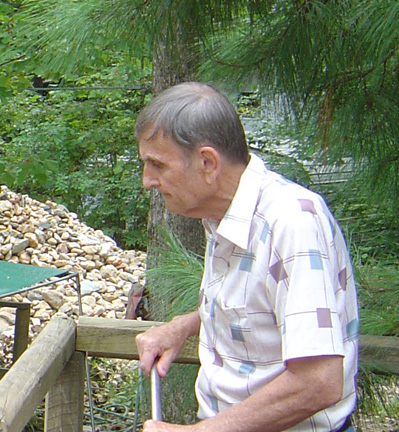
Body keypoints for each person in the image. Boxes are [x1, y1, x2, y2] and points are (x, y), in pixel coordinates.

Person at [132, 82, 359, 432]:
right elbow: (261, 308)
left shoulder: (293, 222)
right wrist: (185, 325)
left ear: (207, 162)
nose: (148, 180)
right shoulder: (222, 213)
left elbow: (319, 381)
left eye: (157, 165)